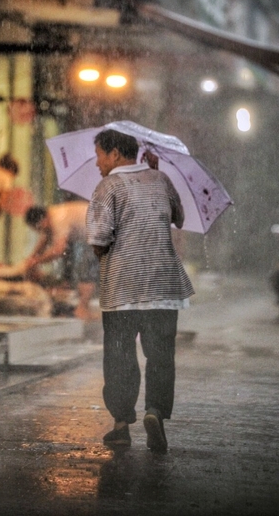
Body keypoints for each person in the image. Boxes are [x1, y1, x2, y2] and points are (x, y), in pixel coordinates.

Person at [86, 129, 194, 453]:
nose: (97, 163)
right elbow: (180, 216)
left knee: (119, 356)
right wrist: (158, 174)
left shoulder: (108, 187)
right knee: (160, 355)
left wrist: (104, 252)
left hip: (123, 288)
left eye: (99, 155)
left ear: (116, 154)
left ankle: (121, 424)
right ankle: (155, 411)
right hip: (163, 285)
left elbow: (99, 238)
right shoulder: (161, 181)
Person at [23, 201, 97, 320]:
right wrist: (32, 258)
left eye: (38, 228)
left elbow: (58, 250)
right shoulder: (52, 215)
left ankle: (82, 309)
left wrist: (37, 261)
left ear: (42, 221)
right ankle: (83, 308)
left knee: (87, 269)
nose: (39, 231)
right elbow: (45, 239)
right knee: (87, 267)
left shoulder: (58, 218)